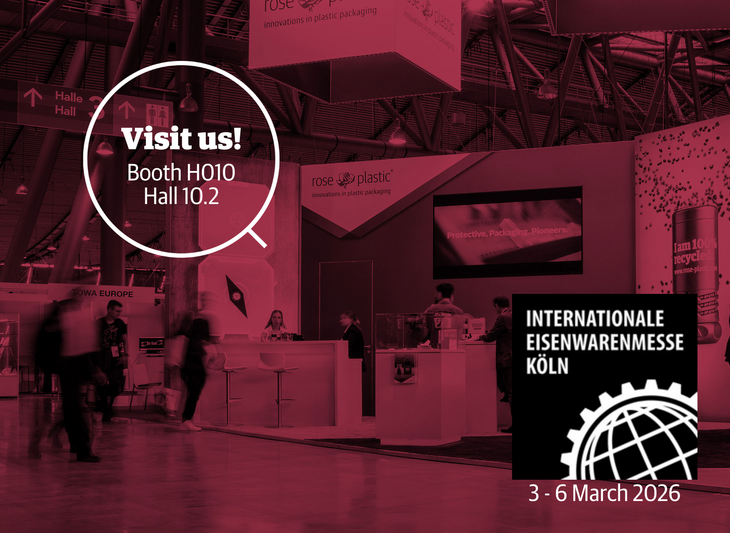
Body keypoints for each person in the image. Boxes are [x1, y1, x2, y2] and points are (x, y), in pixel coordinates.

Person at [57, 293, 105, 461]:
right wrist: (96, 369)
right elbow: (89, 347)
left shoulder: (68, 318)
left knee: (73, 409)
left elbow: (89, 347)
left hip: (73, 371)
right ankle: (82, 448)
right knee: (77, 410)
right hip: (73, 370)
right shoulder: (76, 318)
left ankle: (78, 445)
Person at [180, 296, 214, 431]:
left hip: (193, 359)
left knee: (194, 390)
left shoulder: (197, 319)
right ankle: (186, 419)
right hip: (192, 360)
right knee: (194, 391)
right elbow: (205, 340)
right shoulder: (195, 319)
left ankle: (186, 419)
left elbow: (205, 340)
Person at [481, 296, 512, 434]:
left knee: (511, 392)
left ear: (496, 305)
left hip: (507, 359)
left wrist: (481, 336)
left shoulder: (502, 317)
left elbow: (490, 337)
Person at [96, 300, 128, 422]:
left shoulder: (120, 323)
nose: (119, 313)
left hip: (116, 357)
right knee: (102, 384)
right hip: (102, 357)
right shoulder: (99, 323)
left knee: (116, 384)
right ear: (110, 309)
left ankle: (109, 406)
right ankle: (105, 410)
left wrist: (125, 354)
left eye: (120, 311)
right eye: (117, 311)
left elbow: (125, 340)